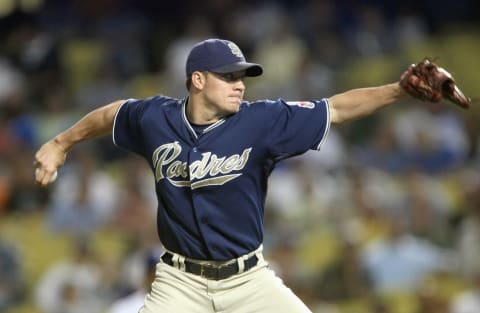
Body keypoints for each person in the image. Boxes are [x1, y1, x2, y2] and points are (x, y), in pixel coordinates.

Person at [34, 38, 443, 313]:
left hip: (248, 279)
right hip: (180, 283)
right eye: (228, 76)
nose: (239, 85)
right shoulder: (154, 118)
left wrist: (398, 91)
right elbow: (111, 114)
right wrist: (60, 143)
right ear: (197, 80)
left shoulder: (261, 121)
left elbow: (333, 109)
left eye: (242, 77)